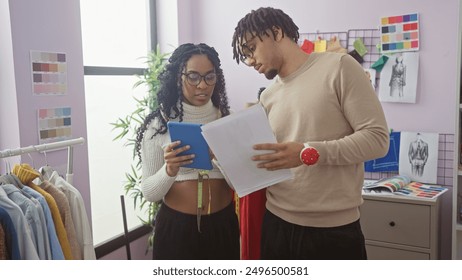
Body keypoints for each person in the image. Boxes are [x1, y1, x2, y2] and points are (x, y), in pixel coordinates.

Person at [231, 7, 389, 260]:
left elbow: (377, 140)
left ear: (276, 31)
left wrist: (307, 152)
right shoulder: (268, 96)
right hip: (275, 224)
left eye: (251, 48)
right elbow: (270, 159)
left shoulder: (339, 67)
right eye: (245, 55)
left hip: (332, 231)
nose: (250, 60)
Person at [135, 43, 239, 260]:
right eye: (193, 77)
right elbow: (149, 192)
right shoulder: (159, 124)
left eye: (209, 77)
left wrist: (220, 157)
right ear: (177, 77)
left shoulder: (228, 120)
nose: (202, 85)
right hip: (176, 229)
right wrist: (169, 170)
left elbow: (240, 183)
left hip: (222, 226)